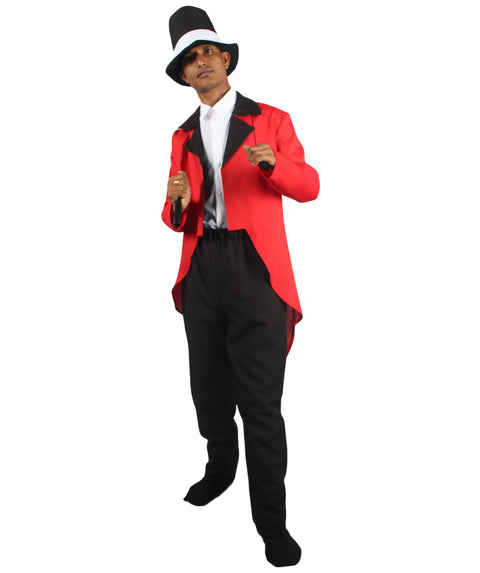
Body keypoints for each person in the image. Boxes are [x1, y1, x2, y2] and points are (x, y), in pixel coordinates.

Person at [162, 6, 319, 568]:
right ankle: (220, 468)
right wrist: (177, 203)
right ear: (184, 74)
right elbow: (172, 213)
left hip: (256, 268)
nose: (200, 62)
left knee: (260, 404)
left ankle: (271, 523)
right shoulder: (181, 134)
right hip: (202, 264)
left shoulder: (271, 119)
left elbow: (310, 185)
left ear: (225, 59)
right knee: (207, 391)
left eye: (207, 52)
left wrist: (273, 164)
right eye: (189, 59)